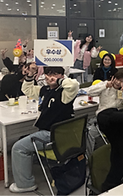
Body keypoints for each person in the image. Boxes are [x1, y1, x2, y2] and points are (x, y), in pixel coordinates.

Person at [9, 64, 79, 193]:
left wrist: (58, 81)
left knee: (18, 148)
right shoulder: (44, 90)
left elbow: (74, 85)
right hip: (47, 132)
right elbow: (27, 89)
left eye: (55, 74)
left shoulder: (65, 93)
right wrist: (30, 75)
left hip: (53, 135)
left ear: (62, 76)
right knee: (23, 141)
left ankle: (25, 184)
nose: (50, 77)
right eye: (48, 74)